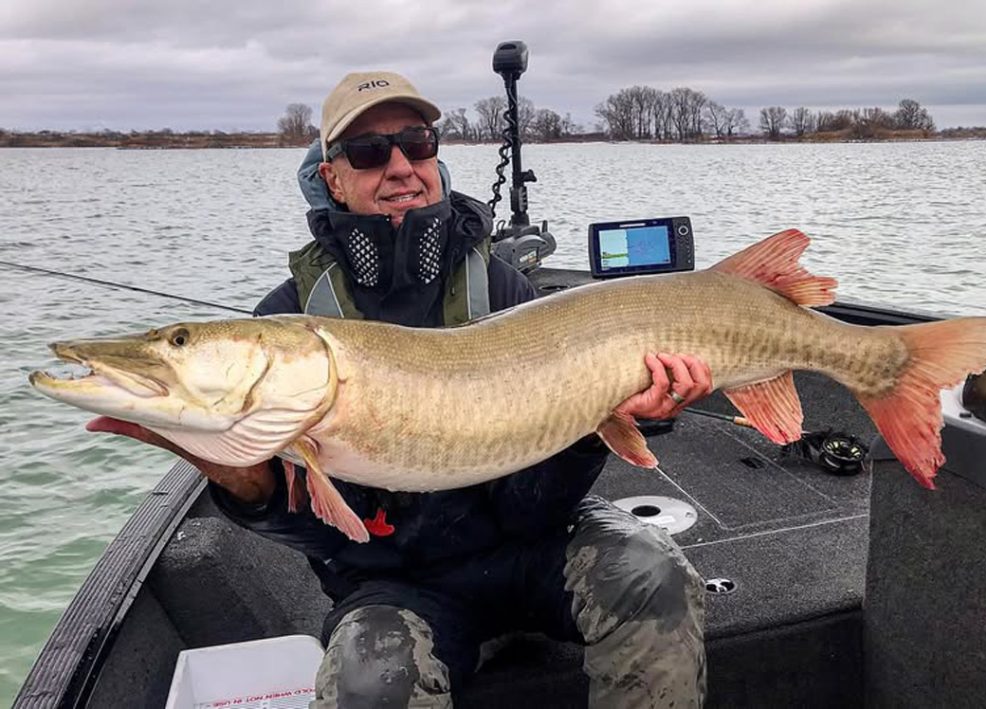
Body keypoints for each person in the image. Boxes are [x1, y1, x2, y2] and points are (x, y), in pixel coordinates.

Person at [92, 71, 710, 708]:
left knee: (652, 572)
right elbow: (330, 541)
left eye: (416, 144)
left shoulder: (504, 291)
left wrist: (594, 426)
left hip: (534, 548)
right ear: (332, 176)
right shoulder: (288, 318)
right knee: (366, 681)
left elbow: (537, 508)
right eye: (367, 152)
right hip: (397, 581)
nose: (399, 167)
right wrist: (237, 477)